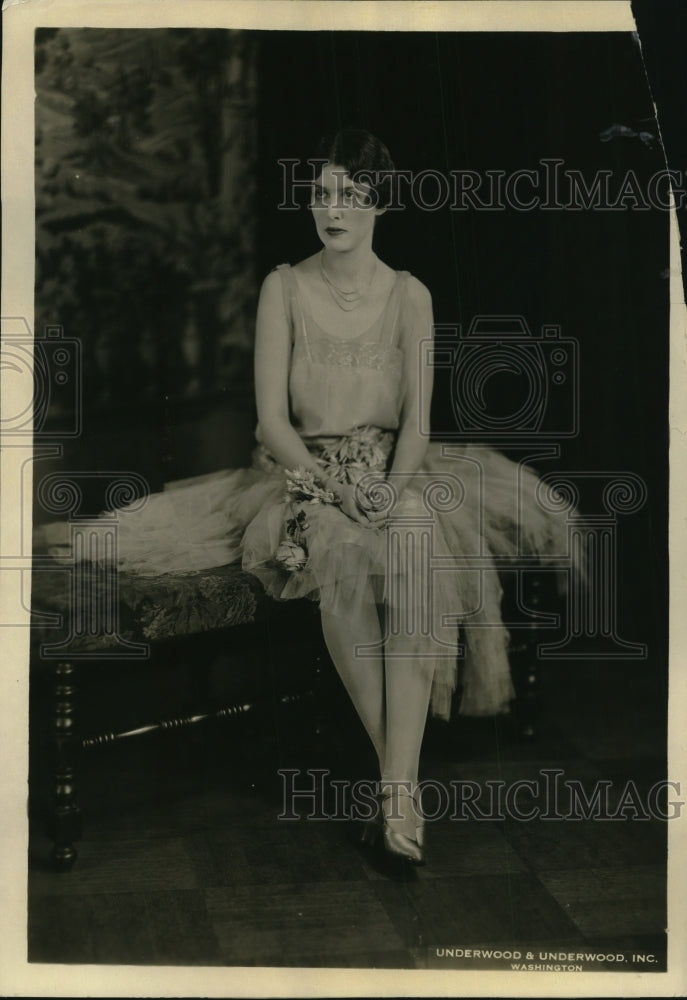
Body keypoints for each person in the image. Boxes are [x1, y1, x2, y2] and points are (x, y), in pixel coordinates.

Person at [40, 129, 577, 867]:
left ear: (378, 205)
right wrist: (333, 489)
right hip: (299, 476)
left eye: (350, 197)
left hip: (393, 471)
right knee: (342, 560)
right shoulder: (284, 288)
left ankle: (394, 791)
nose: (333, 209)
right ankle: (401, 796)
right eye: (322, 194)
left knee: (415, 547)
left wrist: (385, 489)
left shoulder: (409, 296)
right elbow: (270, 422)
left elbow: (418, 424)